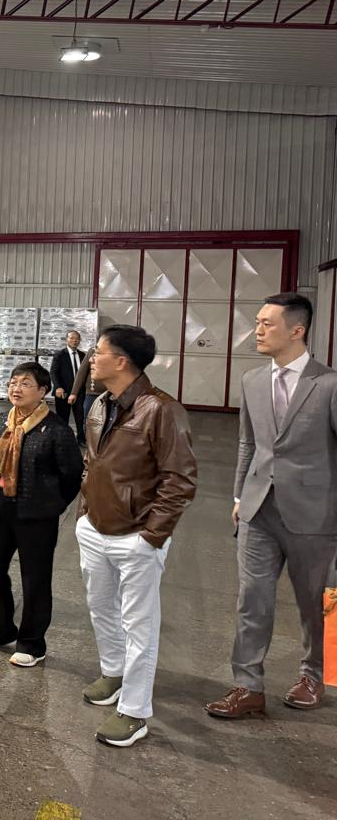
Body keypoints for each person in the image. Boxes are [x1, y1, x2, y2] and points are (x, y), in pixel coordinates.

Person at [205, 292, 337, 719]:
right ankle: (248, 687)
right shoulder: (253, 380)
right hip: (259, 509)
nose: (257, 330)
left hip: (315, 515)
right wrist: (239, 496)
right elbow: (249, 442)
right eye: (257, 321)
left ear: (297, 330)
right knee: (252, 600)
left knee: (315, 601)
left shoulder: (329, 384)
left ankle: (313, 676)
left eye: (267, 323)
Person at [76, 324, 197, 748]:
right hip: (95, 529)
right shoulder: (100, 404)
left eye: (98, 352)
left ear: (122, 361)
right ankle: (113, 672)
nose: (92, 358)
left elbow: (180, 480)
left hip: (136, 538)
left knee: (139, 625)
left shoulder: (161, 410)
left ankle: (134, 710)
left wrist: (151, 536)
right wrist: (84, 512)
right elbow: (92, 463)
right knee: (100, 609)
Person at [0, 361, 83, 666]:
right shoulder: (2, 421)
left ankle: (32, 643)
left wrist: (53, 505)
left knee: (35, 580)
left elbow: (72, 475)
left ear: (43, 391)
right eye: (13, 382)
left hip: (37, 516)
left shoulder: (56, 430)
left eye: (26, 384)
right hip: (0, 509)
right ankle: (1, 630)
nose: (16, 388)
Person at [51, 330, 88, 445]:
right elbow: (53, 372)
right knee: (63, 418)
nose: (74, 340)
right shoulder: (60, 355)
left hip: (79, 392)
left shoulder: (83, 355)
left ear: (79, 341)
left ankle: (81, 439)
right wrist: (58, 387)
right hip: (63, 391)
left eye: (77, 338)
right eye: (72, 338)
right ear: (66, 340)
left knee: (80, 417)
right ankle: (63, 440)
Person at [68, 342, 102, 427]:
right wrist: (74, 393)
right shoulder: (92, 351)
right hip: (92, 394)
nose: (91, 360)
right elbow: (81, 373)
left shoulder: (117, 353)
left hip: (110, 394)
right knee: (88, 421)